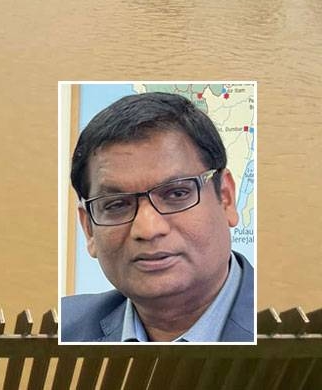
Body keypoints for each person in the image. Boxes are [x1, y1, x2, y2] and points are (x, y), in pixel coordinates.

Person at [61, 92, 254, 342]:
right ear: (88, 229)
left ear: (226, 197)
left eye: (176, 193)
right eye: (117, 204)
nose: (148, 229)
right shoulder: (59, 330)